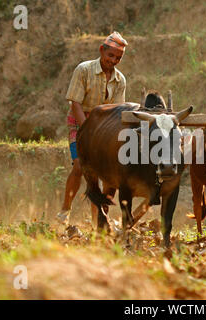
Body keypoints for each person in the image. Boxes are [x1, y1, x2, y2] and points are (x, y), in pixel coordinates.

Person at [57, 31, 128, 225]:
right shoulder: (84, 70)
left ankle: (99, 219)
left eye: (118, 58)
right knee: (80, 166)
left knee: (106, 171)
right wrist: (88, 130)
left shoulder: (120, 80)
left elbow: (118, 111)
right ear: (101, 51)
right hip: (81, 121)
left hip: (105, 126)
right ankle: (65, 209)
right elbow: (75, 103)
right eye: (110, 55)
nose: (113, 60)